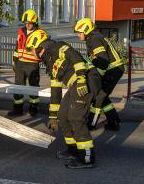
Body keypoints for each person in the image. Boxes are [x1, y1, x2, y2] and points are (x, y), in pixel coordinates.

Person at [26, 29, 101, 169]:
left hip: (87, 79)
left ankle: (87, 157)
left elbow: (76, 58)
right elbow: (56, 91)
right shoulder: (50, 62)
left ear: (39, 46)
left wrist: (81, 80)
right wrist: (53, 117)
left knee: (75, 118)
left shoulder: (58, 46)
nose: (31, 52)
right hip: (75, 85)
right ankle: (73, 151)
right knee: (63, 116)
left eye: (31, 49)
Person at [74, 18, 124, 131]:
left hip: (112, 70)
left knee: (98, 96)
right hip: (113, 70)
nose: (78, 35)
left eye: (79, 32)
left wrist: (96, 77)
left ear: (86, 30)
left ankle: (91, 123)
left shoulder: (94, 39)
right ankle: (114, 121)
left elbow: (102, 61)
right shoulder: (93, 37)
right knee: (103, 96)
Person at [8, 9, 41, 117]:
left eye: (29, 23)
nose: (27, 25)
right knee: (18, 87)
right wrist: (14, 61)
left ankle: (33, 109)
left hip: (33, 65)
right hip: (20, 64)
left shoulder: (39, 33)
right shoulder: (21, 31)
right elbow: (17, 47)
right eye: (26, 23)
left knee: (33, 88)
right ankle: (18, 110)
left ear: (34, 22)